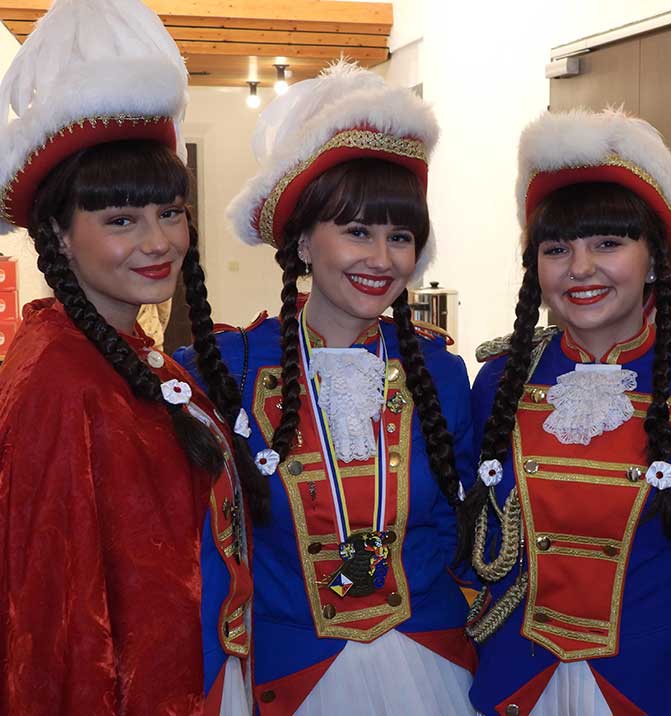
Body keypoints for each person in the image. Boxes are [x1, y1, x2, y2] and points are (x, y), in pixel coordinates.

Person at [177, 62, 476, 715]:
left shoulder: (441, 373)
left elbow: (464, 528)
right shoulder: (223, 369)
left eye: (400, 237)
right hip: (288, 668)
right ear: (305, 244)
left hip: (431, 660)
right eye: (357, 231)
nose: (382, 258)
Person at [0, 0, 265, 713]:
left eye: (169, 212)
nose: (158, 242)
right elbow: (53, 632)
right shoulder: (59, 380)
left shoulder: (132, 357)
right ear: (59, 234)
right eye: (121, 220)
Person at [460, 108, 671, 716]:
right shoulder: (498, 380)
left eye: (608, 243)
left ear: (655, 259)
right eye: (557, 249)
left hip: (667, 681)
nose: (580, 268)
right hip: (523, 676)